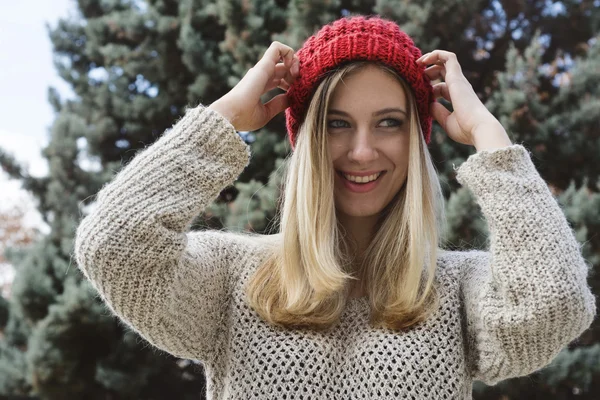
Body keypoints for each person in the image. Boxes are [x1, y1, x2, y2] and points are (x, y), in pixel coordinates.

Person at [74, 15, 596, 399]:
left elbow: (553, 307)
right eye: (335, 123)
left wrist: (490, 138)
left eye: (389, 122)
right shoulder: (231, 278)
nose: (362, 151)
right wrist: (224, 117)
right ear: (305, 139)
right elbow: (114, 245)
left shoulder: (457, 288)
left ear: (416, 139)